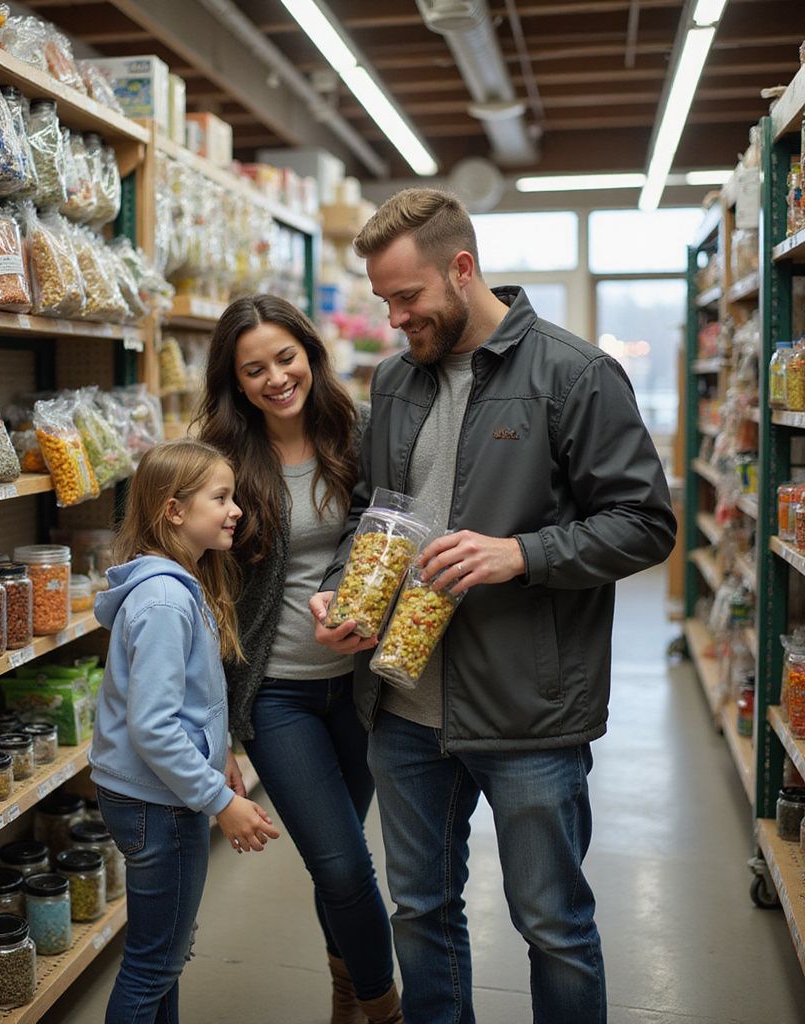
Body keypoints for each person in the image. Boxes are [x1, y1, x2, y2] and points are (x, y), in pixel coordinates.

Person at [310, 188, 677, 1024]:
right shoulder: (396, 379)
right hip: (403, 704)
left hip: (528, 709)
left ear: (463, 269)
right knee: (423, 913)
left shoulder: (573, 372)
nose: (397, 318)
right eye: (384, 301)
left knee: (553, 926)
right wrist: (340, 585)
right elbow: (375, 507)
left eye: (408, 297)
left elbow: (646, 524)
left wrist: (521, 554)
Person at [194, 294, 402, 1024]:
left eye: (286, 358)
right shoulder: (221, 461)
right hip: (276, 695)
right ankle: (386, 1011)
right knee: (343, 863)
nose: (276, 378)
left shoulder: (361, 433)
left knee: (334, 857)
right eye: (254, 369)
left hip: (363, 689)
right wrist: (214, 729)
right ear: (235, 380)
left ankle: (346, 992)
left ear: (311, 354)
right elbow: (207, 599)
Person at [90, 438, 281, 1024]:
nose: (236, 511)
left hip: (154, 795)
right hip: (160, 803)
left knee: (165, 958)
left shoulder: (176, 584)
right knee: (153, 964)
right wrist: (219, 800)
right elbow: (153, 728)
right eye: (221, 498)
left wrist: (217, 750)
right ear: (174, 510)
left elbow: (186, 697)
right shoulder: (167, 602)